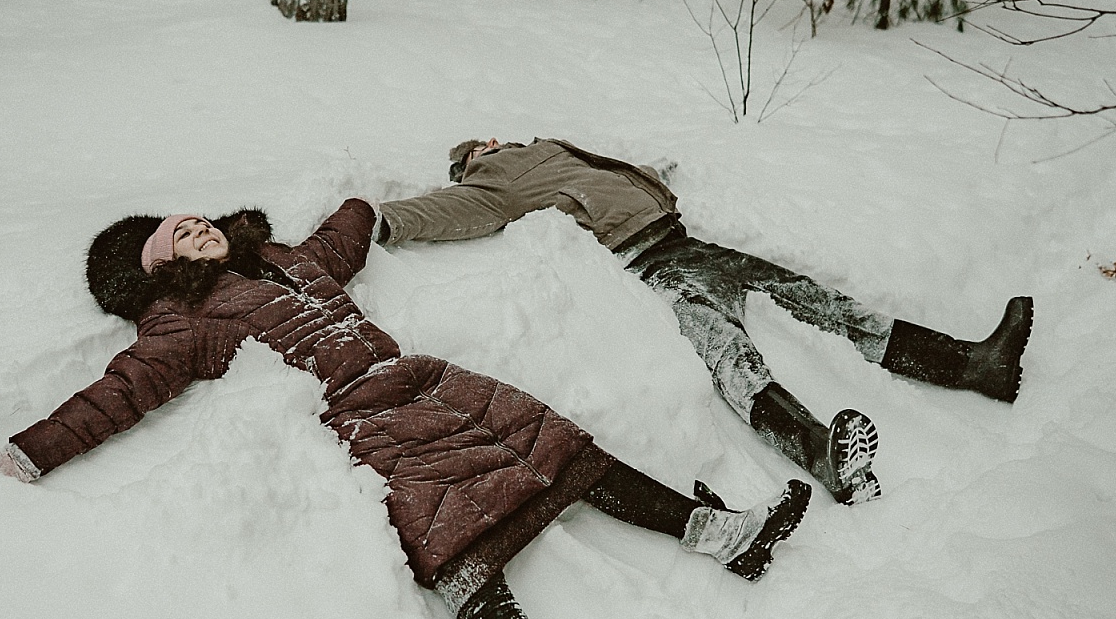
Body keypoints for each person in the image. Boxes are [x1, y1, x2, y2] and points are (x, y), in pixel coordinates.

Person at [0, 199, 811, 619]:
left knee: (556, 444)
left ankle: (718, 533)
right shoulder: (182, 325)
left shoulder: (283, 258)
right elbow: (119, 392)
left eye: (197, 219)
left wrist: (364, 206)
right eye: (180, 237)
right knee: (448, 537)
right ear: (163, 271)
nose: (197, 228)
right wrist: (30, 453)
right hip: (358, 419)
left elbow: (343, 240)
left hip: (420, 375)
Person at [376, 139, 1034, 504]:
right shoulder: (497, 178)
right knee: (730, 360)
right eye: (480, 148)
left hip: (683, 242)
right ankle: (821, 455)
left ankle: (974, 365)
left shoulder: (544, 153)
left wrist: (654, 173)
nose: (492, 141)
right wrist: (381, 220)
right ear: (473, 162)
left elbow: (605, 179)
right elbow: (450, 211)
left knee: (817, 299)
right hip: (652, 266)